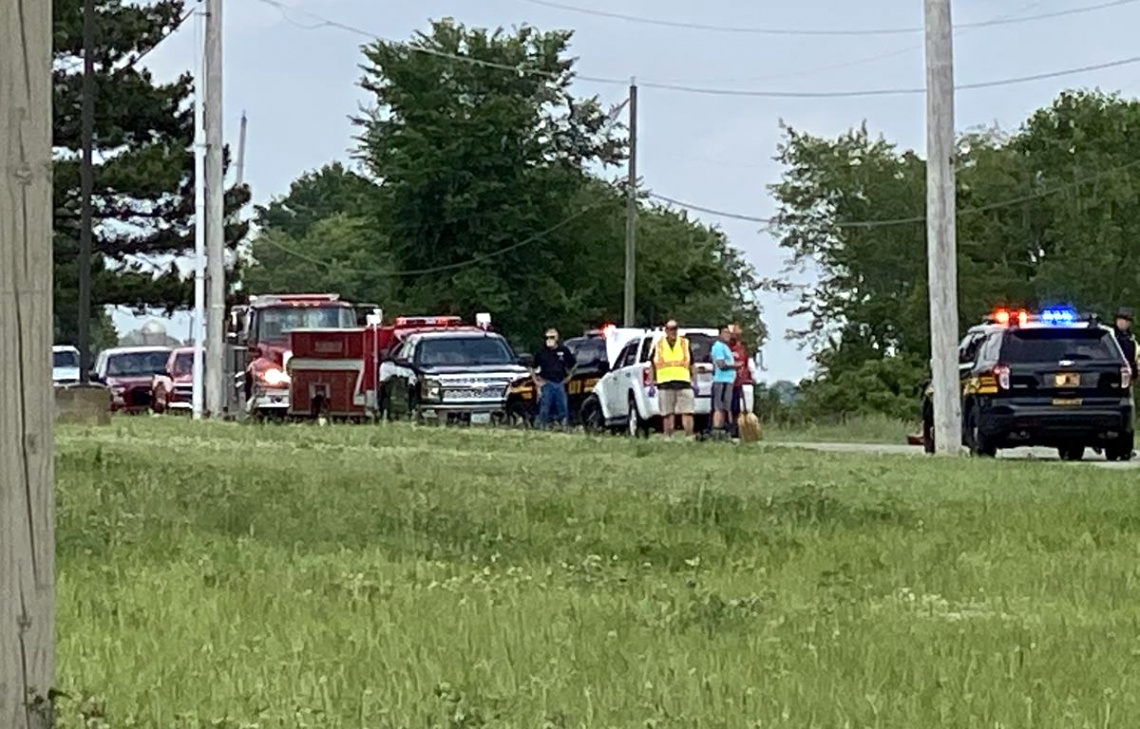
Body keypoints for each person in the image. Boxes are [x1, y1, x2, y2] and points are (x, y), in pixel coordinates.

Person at [650, 320, 696, 437]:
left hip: (684, 383)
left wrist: (695, 382)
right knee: (667, 414)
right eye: (670, 328)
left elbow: (692, 364)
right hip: (665, 383)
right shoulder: (658, 345)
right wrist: (651, 384)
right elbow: (652, 366)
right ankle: (668, 437)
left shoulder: (684, 343)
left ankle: (689, 437)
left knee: (687, 412)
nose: (673, 331)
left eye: (675, 328)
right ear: (665, 330)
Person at [532, 328, 576, 429]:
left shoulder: (564, 351)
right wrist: (536, 381)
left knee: (563, 408)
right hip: (546, 383)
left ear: (557, 338)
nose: (549, 339)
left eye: (552, 337)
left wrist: (569, 377)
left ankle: (563, 426)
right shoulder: (541, 352)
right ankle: (543, 427)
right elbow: (533, 367)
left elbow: (573, 364)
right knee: (545, 408)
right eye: (547, 337)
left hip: (560, 383)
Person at [710, 325, 741, 438]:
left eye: (729, 333)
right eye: (725, 332)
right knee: (719, 407)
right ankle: (716, 430)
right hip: (721, 380)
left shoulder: (725, 347)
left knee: (725, 407)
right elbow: (721, 364)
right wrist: (735, 366)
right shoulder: (718, 347)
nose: (727, 335)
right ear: (720, 334)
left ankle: (723, 430)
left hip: (728, 381)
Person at [728, 324, 756, 428]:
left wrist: (752, 377)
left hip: (744, 381)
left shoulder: (743, 348)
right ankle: (734, 427)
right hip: (732, 382)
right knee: (734, 407)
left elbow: (749, 364)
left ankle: (747, 428)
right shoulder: (726, 348)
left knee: (747, 408)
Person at [1114, 307, 1137, 380]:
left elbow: (1132, 358)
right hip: (1115, 371)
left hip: (1127, 374)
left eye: (1126, 320)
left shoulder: (1130, 339)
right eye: (1119, 319)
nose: (1121, 322)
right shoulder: (1111, 335)